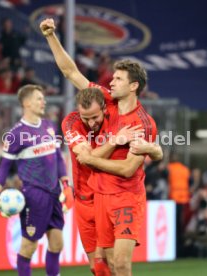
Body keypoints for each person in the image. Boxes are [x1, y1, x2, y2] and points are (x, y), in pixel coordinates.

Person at [40, 18, 163, 275]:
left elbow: (129, 168)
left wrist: (154, 149)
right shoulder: (105, 100)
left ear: (133, 86)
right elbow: (71, 73)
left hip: (125, 196)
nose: (111, 82)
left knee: (120, 264)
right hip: (96, 198)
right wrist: (51, 36)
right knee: (101, 268)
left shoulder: (142, 123)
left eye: (118, 78)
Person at [0, 84, 73, 276]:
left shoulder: (49, 126)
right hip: (34, 195)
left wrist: (66, 186)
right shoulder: (15, 134)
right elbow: (4, 166)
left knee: (57, 243)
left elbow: (59, 158)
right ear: (27, 103)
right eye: (39, 98)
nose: (43, 101)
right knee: (29, 246)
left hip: (54, 193)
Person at [62, 87, 146, 275]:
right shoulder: (71, 122)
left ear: (103, 109)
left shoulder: (117, 120)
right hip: (83, 200)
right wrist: (115, 140)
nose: (91, 123)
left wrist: (156, 151)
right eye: (86, 118)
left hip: (107, 195)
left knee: (115, 263)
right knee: (97, 267)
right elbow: (86, 157)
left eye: (95, 117)